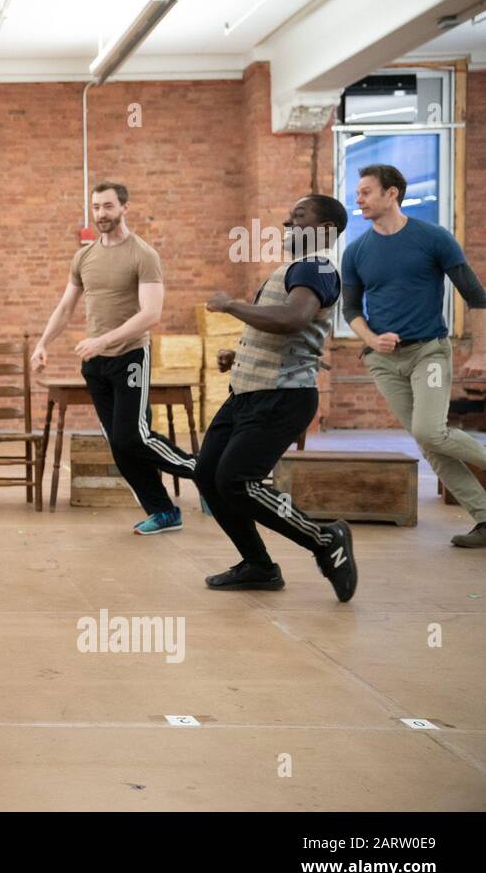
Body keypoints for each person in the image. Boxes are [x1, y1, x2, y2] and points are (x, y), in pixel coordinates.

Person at [197, 195, 358, 599]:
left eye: (298, 217)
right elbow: (280, 326)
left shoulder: (317, 267)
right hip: (249, 394)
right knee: (207, 475)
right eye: (288, 217)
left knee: (236, 480)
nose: (287, 224)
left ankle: (324, 539)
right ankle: (258, 566)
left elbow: (292, 319)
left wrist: (231, 305)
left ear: (323, 230)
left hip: (282, 397)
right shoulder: (294, 270)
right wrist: (242, 350)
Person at [31, 181, 196, 532]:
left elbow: (150, 314)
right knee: (119, 445)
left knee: (133, 437)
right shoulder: (84, 257)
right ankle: (164, 511)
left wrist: (103, 339)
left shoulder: (143, 255)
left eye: (107, 207)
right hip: (96, 363)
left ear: (124, 208)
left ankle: (205, 471)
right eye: (96, 207)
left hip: (130, 356)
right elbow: (65, 307)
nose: (101, 214)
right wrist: (43, 342)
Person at [343, 163, 486, 549]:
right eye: (358, 192)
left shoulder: (434, 238)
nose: (359, 199)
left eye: (366, 191)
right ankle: (484, 517)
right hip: (384, 362)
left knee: (430, 431)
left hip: (430, 355)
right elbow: (351, 310)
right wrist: (372, 340)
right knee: (429, 444)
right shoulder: (356, 251)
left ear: (392, 194)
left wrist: (482, 352)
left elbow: (476, 295)